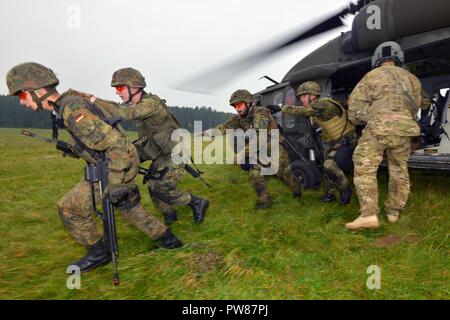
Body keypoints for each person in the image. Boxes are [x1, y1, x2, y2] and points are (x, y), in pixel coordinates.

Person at [6, 62, 183, 273]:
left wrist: (116, 182)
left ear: (38, 90)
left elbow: (116, 144)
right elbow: (100, 140)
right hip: (117, 162)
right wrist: (75, 149)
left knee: (70, 207)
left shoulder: (73, 110)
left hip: (114, 164)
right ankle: (170, 241)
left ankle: (99, 253)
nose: (22, 102)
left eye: (22, 96)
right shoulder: (67, 106)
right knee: (129, 208)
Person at [93, 67, 208, 226]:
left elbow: (127, 113)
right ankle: (169, 215)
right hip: (162, 154)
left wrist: (94, 102)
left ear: (134, 87)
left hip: (176, 153)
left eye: (119, 88)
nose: (117, 93)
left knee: (160, 187)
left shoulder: (150, 104)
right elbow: (146, 139)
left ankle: (196, 202)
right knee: (153, 184)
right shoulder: (140, 107)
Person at [346, 41, 423, 230]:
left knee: (365, 167)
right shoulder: (412, 79)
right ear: (399, 58)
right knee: (399, 169)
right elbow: (416, 107)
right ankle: (393, 211)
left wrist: (368, 116)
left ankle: (369, 214)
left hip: (378, 130)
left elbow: (354, 110)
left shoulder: (371, 76)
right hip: (405, 131)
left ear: (377, 58)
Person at [205, 89, 302, 209]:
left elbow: (259, 138)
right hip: (261, 153)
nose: (237, 108)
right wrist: (209, 132)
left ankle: (297, 191)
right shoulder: (240, 118)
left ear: (248, 103)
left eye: (239, 104)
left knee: (285, 175)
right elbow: (225, 127)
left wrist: (241, 155)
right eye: (235, 106)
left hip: (275, 150)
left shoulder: (261, 113)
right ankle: (265, 201)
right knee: (255, 175)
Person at [282, 81, 357, 205]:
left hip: (344, 138)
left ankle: (345, 189)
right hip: (330, 140)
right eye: (300, 97)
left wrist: (282, 107)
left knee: (329, 165)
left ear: (313, 95)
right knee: (325, 167)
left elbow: (302, 111)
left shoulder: (323, 104)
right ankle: (330, 193)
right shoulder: (318, 108)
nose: (302, 99)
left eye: (303, 96)